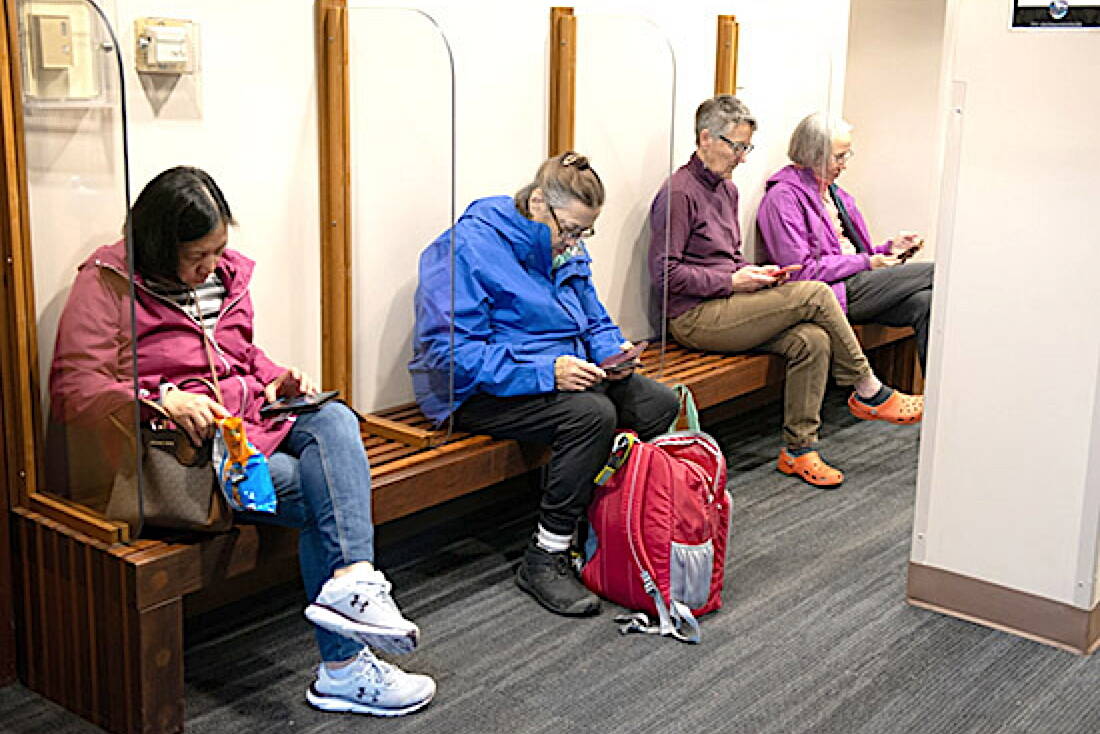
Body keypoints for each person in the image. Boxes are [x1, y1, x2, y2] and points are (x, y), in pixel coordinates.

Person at [48, 166, 434, 717]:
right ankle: (343, 667)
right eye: (196, 256)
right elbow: (74, 388)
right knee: (318, 488)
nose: (211, 266)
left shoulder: (224, 276)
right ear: (159, 246)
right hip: (187, 453)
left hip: (253, 421)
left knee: (335, 420)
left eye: (218, 249)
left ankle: (353, 583)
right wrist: (161, 399)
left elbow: (243, 356)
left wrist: (278, 377)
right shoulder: (105, 284)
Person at [410, 152, 680, 617]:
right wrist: (544, 372)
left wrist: (613, 355)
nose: (575, 242)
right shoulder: (467, 247)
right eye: (571, 229)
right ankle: (545, 554)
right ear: (537, 202)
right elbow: (448, 354)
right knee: (592, 416)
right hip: (473, 390)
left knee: (656, 402)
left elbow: (593, 317)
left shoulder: (565, 244)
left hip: (556, 375)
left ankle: (605, 533)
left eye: (585, 232)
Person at [648, 96, 922, 490]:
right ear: (705, 138)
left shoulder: (726, 190)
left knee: (811, 340)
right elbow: (664, 274)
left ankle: (799, 450)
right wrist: (731, 282)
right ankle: (868, 389)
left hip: (728, 302)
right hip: (692, 317)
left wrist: (752, 272)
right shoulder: (679, 193)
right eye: (735, 146)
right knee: (814, 294)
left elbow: (726, 257)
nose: (742, 157)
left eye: (747, 147)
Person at [757, 113, 934, 369]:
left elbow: (855, 253)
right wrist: (868, 262)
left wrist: (890, 250)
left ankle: (936, 397)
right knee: (936, 273)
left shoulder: (836, 195)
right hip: (832, 292)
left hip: (856, 284)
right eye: (839, 157)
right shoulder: (783, 198)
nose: (845, 165)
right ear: (814, 154)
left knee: (925, 303)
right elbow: (800, 272)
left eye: (846, 156)